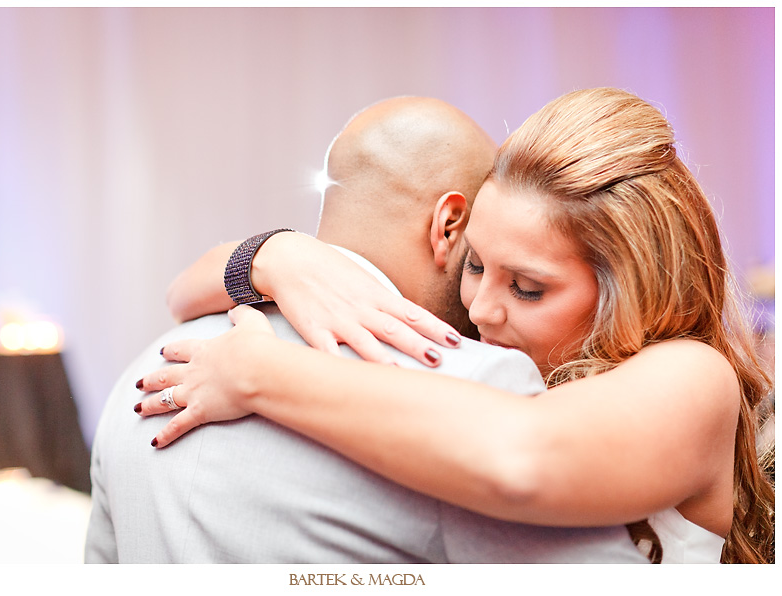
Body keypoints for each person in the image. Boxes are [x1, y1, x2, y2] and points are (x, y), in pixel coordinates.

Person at [136, 88, 775, 564]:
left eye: (528, 287)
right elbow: (182, 290)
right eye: (473, 265)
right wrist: (277, 256)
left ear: (633, 287)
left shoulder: (692, 376)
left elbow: (522, 459)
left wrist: (262, 372)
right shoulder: (498, 345)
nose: (481, 309)